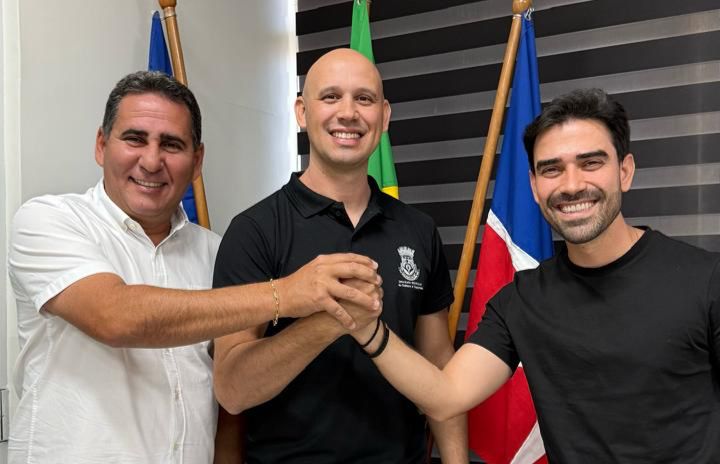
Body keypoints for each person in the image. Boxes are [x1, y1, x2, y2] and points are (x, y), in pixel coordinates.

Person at [7, 70, 381, 464]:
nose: (152, 161)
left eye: (172, 144)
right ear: (102, 145)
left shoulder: (216, 252)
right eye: (135, 139)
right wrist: (286, 293)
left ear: (197, 160)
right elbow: (114, 316)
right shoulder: (47, 221)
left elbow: (228, 404)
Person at [354, 88, 720, 462]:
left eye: (591, 163)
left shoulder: (706, 280)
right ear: (533, 185)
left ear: (625, 172)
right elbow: (447, 395)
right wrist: (367, 327)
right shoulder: (521, 300)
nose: (572, 185)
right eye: (551, 169)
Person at [212, 48, 468, 464]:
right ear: (302, 112)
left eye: (364, 99)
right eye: (330, 97)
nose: (348, 113)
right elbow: (232, 390)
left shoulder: (418, 230)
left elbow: (439, 363)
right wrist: (330, 321)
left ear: (384, 116)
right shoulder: (254, 231)